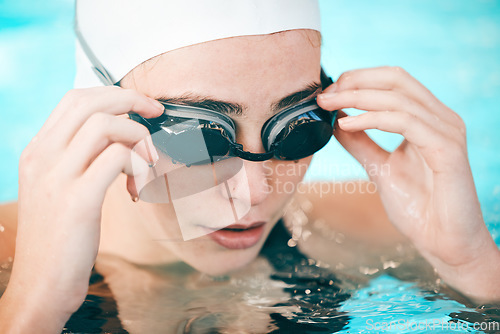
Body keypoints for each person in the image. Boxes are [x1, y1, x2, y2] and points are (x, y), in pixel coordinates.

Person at [0, 0, 499, 332]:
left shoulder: (377, 227)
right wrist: (32, 310)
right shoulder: (9, 263)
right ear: (96, 114)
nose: (258, 189)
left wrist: (472, 263)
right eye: (198, 138)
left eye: (297, 127)